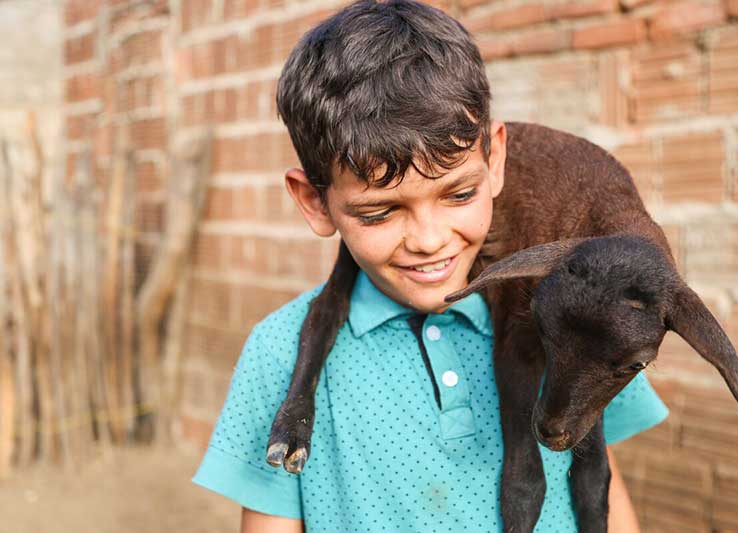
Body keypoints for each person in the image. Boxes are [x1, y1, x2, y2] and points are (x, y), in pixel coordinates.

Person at [192, 1, 669, 531]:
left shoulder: (568, 314)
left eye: (459, 193)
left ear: (496, 161)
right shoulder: (279, 352)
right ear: (314, 202)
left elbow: (604, 484)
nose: (429, 240)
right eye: (379, 211)